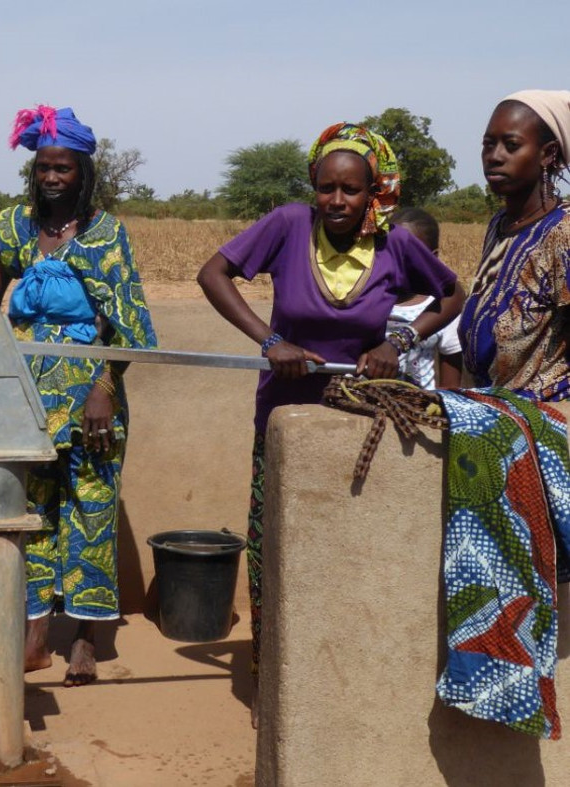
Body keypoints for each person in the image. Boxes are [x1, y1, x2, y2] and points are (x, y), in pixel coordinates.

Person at [197, 122, 465, 726]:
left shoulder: (396, 242)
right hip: (286, 414)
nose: (337, 202)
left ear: (375, 191)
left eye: (351, 189)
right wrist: (271, 340)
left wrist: (399, 338)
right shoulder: (289, 226)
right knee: (276, 541)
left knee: (350, 541)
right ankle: (273, 681)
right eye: (327, 188)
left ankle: (345, 675)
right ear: (312, 187)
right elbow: (213, 274)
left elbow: (453, 295)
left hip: (361, 413)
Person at [0, 105, 156, 687]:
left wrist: (103, 386)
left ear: (84, 173)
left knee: (92, 510)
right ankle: (34, 632)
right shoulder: (14, 227)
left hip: (90, 403)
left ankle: (84, 636)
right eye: (44, 168)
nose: (52, 178)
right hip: (27, 398)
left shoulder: (106, 234)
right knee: (32, 513)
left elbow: (128, 323)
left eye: (64, 169)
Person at [459, 90, 570, 400]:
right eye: (488, 144)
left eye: (511, 145)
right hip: (490, 413)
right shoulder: (500, 225)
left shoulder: (563, 234)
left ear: (547, 154)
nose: (494, 156)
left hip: (547, 423)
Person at [388, 207, 463, 389]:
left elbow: (450, 386)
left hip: (417, 411)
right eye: (392, 251)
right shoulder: (368, 300)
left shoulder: (442, 307)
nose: (400, 262)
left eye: (411, 255)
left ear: (433, 257)